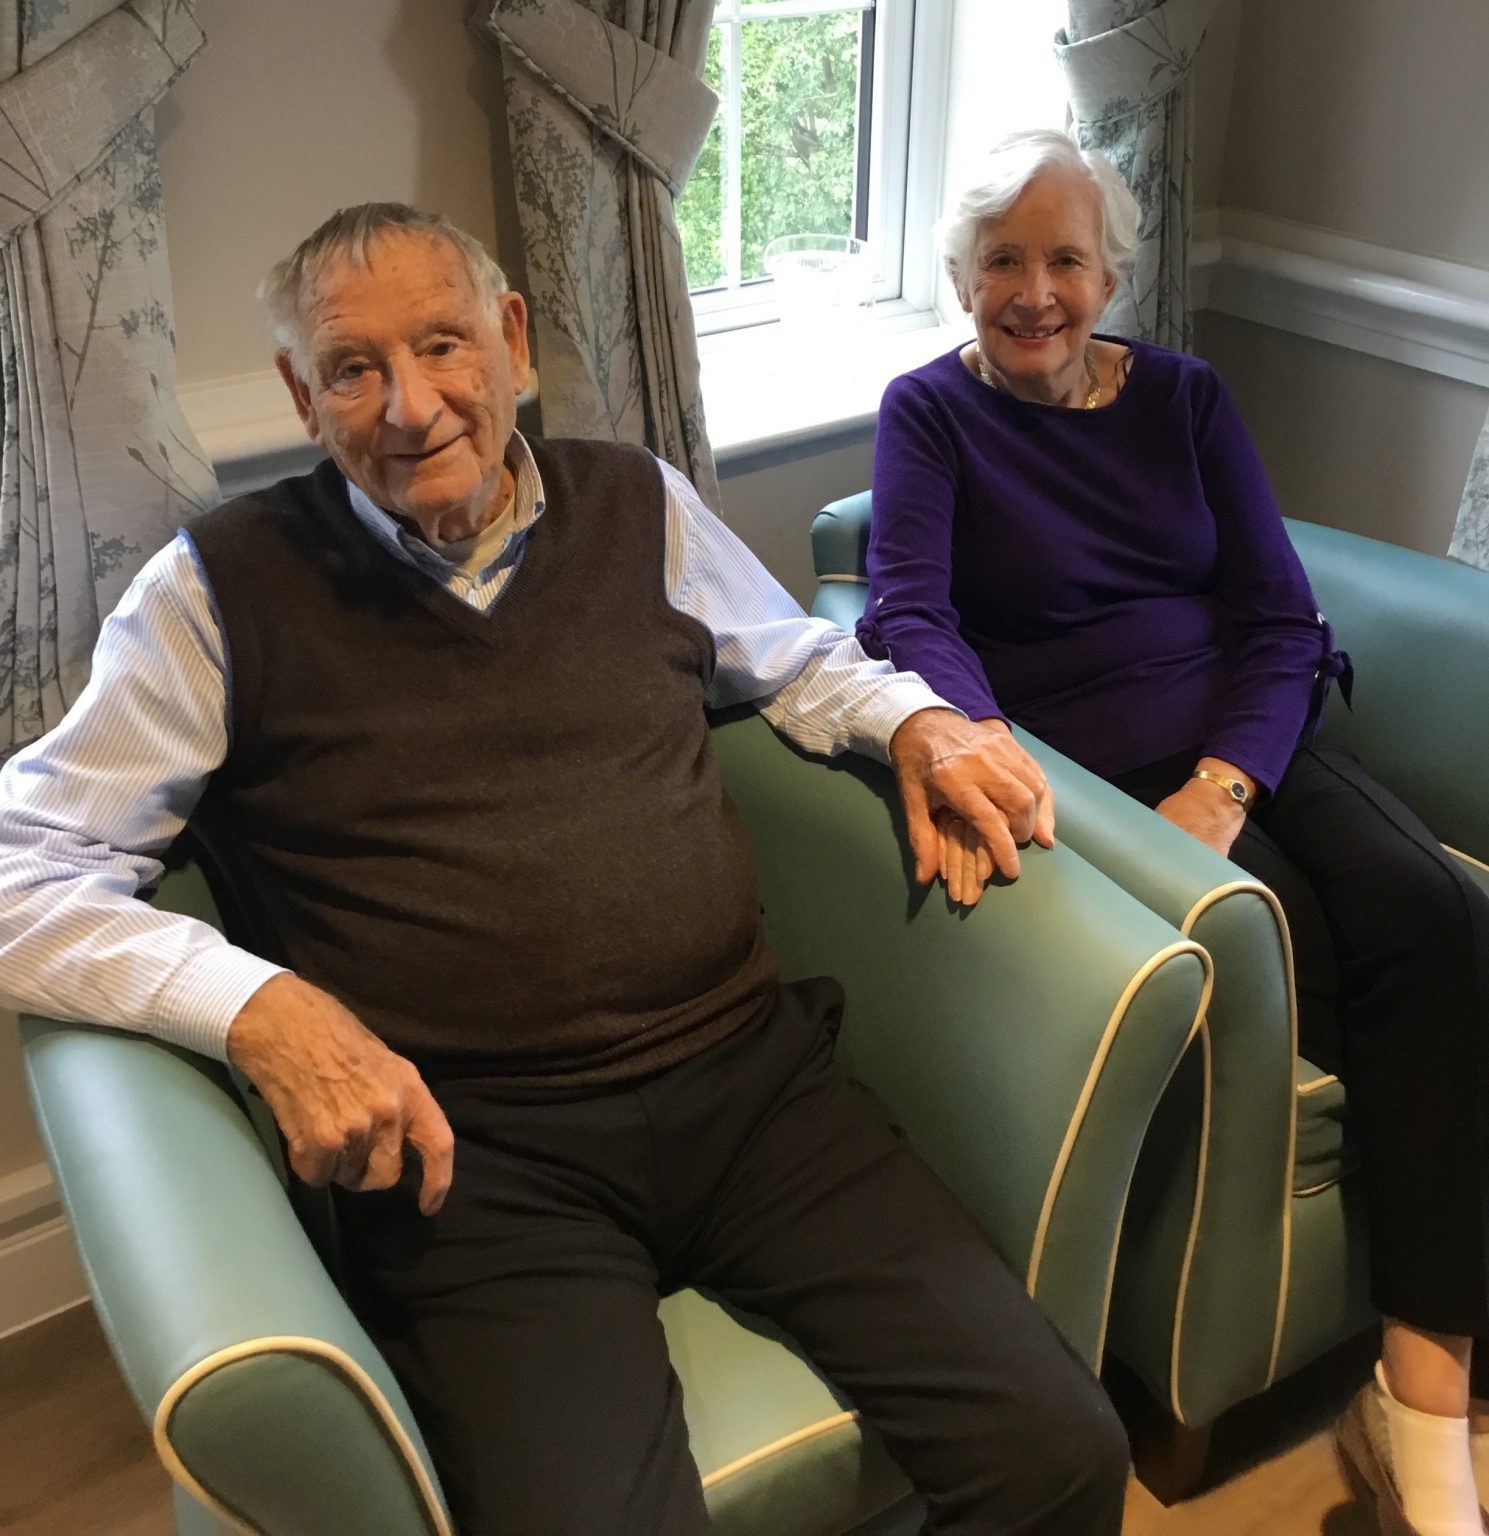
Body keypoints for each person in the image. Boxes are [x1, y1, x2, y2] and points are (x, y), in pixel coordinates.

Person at [0, 202, 1128, 1535]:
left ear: (513, 340)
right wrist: (257, 1006)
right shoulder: (214, 593)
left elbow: (795, 659)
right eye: (353, 368)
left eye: (441, 344)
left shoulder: (635, 502)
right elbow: (22, 872)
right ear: (303, 397)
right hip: (475, 1166)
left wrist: (917, 722)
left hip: (756, 1092)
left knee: (1060, 1454)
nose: (410, 405)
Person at [858, 125, 1489, 1536]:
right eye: (1002, 261)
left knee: (1440, 918)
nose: (1035, 292)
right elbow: (907, 611)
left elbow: (1279, 614)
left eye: (1065, 260)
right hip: (1084, 769)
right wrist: (982, 738)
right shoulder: (930, 414)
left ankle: (1417, 1381)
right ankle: (1433, 1390)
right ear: (961, 279)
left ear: (1112, 274)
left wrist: (1225, 783)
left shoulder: (1187, 399)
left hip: (1246, 744)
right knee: (1314, 964)